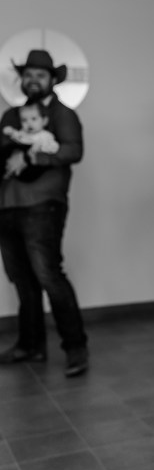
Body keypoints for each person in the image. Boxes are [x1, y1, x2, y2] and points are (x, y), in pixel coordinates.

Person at [0, 49, 89, 377]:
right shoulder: (12, 116)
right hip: (7, 205)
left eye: (40, 74)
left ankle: (75, 347)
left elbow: (73, 150)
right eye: (28, 74)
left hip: (43, 204)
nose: (33, 80)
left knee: (48, 274)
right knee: (21, 280)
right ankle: (31, 345)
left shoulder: (62, 114)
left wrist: (31, 157)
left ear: (52, 80)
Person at [3, 102, 60, 179]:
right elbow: (18, 137)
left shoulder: (45, 135)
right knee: (7, 149)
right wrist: (12, 132)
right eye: (24, 120)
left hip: (32, 163)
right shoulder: (23, 132)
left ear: (44, 121)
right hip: (19, 152)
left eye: (34, 119)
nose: (29, 123)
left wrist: (41, 147)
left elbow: (54, 147)